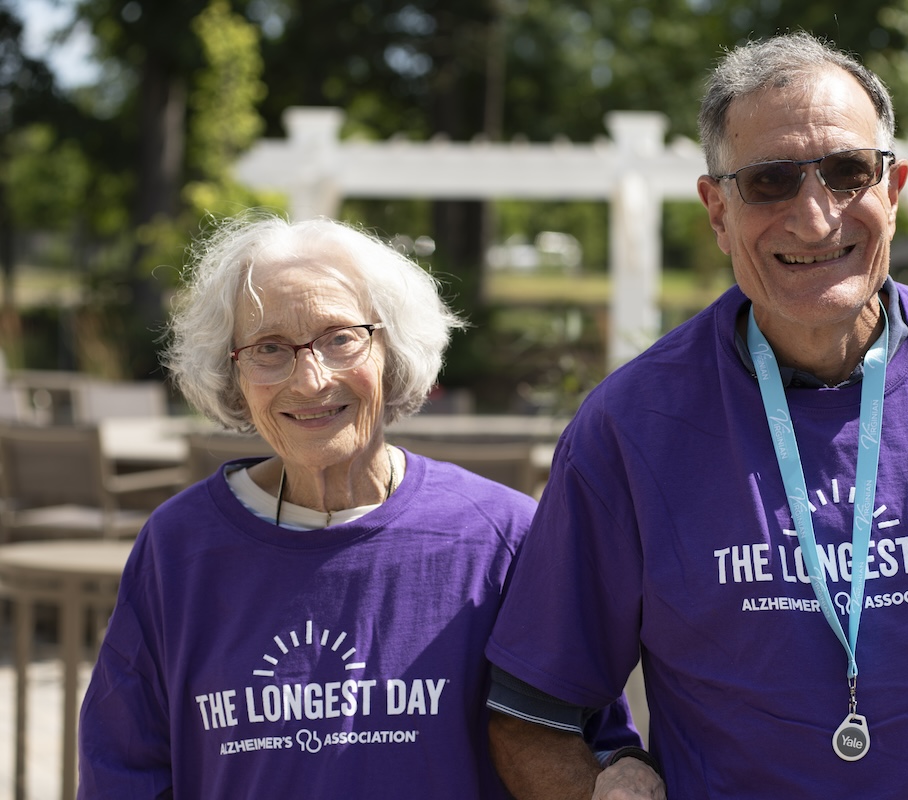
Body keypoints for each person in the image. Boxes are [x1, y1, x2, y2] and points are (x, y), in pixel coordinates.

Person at [484, 31, 908, 799]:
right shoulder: (630, 425)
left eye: (849, 172)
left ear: (894, 187)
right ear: (717, 210)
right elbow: (532, 713)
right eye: (772, 181)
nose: (816, 219)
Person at [77, 213, 639, 798]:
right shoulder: (178, 548)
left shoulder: (503, 537)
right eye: (270, 348)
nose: (311, 379)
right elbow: (122, 769)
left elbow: (591, 747)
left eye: (340, 338)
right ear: (233, 371)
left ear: (390, 349)